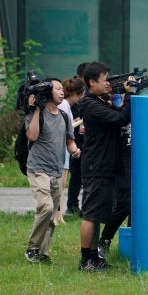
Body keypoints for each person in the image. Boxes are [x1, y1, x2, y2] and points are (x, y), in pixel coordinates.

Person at [78, 61, 136, 271]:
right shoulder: (91, 105)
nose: (108, 84)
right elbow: (121, 118)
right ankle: (86, 260)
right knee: (91, 215)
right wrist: (129, 95)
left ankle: (95, 257)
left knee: (99, 214)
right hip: (97, 166)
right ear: (91, 82)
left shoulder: (100, 101)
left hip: (104, 165)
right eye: (104, 81)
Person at [24, 78, 81, 263]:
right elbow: (32, 136)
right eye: (58, 89)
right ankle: (32, 248)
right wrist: (36, 109)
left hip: (56, 171)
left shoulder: (64, 115)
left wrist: (74, 150)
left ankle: (42, 253)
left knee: (50, 217)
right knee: (46, 208)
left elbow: (69, 140)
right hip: (38, 169)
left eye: (62, 89)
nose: (62, 91)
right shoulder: (36, 114)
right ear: (48, 92)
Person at [98, 119, 132, 259]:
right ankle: (105, 239)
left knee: (138, 207)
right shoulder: (120, 115)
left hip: (142, 163)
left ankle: (133, 242)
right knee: (126, 203)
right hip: (124, 164)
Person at [54, 78, 85, 224]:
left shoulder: (65, 105)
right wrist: (81, 121)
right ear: (75, 93)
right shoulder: (65, 105)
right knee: (61, 182)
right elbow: (66, 127)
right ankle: (57, 215)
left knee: (63, 182)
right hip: (61, 147)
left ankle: (59, 215)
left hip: (64, 147)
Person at [66, 62, 89, 217]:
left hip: (87, 142)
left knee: (86, 177)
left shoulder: (88, 96)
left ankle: (86, 207)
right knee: (76, 176)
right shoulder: (70, 100)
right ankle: (72, 206)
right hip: (75, 142)